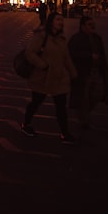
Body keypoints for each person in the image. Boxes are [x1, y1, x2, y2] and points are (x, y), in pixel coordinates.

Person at [20, 12, 79, 144]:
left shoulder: (62, 38)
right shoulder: (41, 36)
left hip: (59, 77)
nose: (61, 22)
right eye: (58, 20)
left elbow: (66, 57)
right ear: (51, 21)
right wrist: (42, 65)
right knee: (36, 102)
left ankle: (64, 133)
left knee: (61, 107)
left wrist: (73, 73)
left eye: (62, 20)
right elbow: (30, 52)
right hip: (42, 77)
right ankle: (26, 124)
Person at [68, 16, 108, 130]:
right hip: (83, 72)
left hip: (96, 71)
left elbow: (102, 54)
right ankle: (84, 119)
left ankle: (84, 112)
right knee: (84, 96)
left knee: (98, 93)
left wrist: (105, 69)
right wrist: (89, 56)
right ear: (83, 26)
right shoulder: (76, 39)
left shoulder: (97, 38)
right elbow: (71, 54)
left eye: (93, 24)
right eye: (89, 24)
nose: (92, 26)